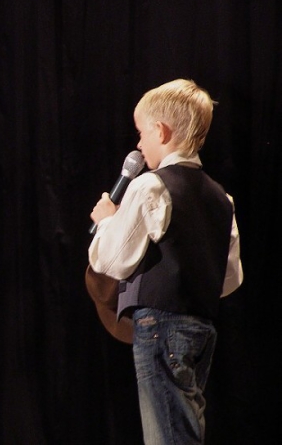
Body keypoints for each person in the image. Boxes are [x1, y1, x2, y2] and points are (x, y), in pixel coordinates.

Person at [88, 79, 243, 445]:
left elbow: (111, 261)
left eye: (142, 133)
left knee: (169, 437)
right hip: (201, 329)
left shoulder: (150, 186)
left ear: (161, 130)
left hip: (161, 327)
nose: (139, 145)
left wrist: (107, 221)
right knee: (183, 429)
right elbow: (229, 278)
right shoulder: (223, 198)